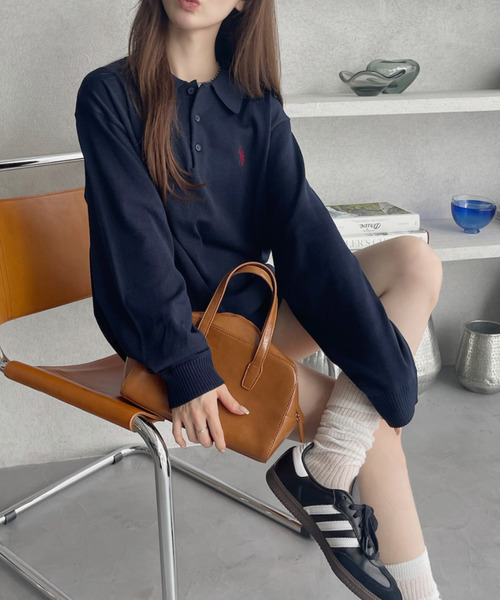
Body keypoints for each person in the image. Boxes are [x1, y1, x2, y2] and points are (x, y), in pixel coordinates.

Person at [75, 1, 443, 599]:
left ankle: (324, 471)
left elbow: (307, 239)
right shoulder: (111, 95)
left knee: (415, 260)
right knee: (377, 438)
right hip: (180, 337)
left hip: (255, 317)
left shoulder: (257, 107)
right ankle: (341, 488)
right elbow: (136, 248)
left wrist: (389, 375)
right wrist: (187, 367)